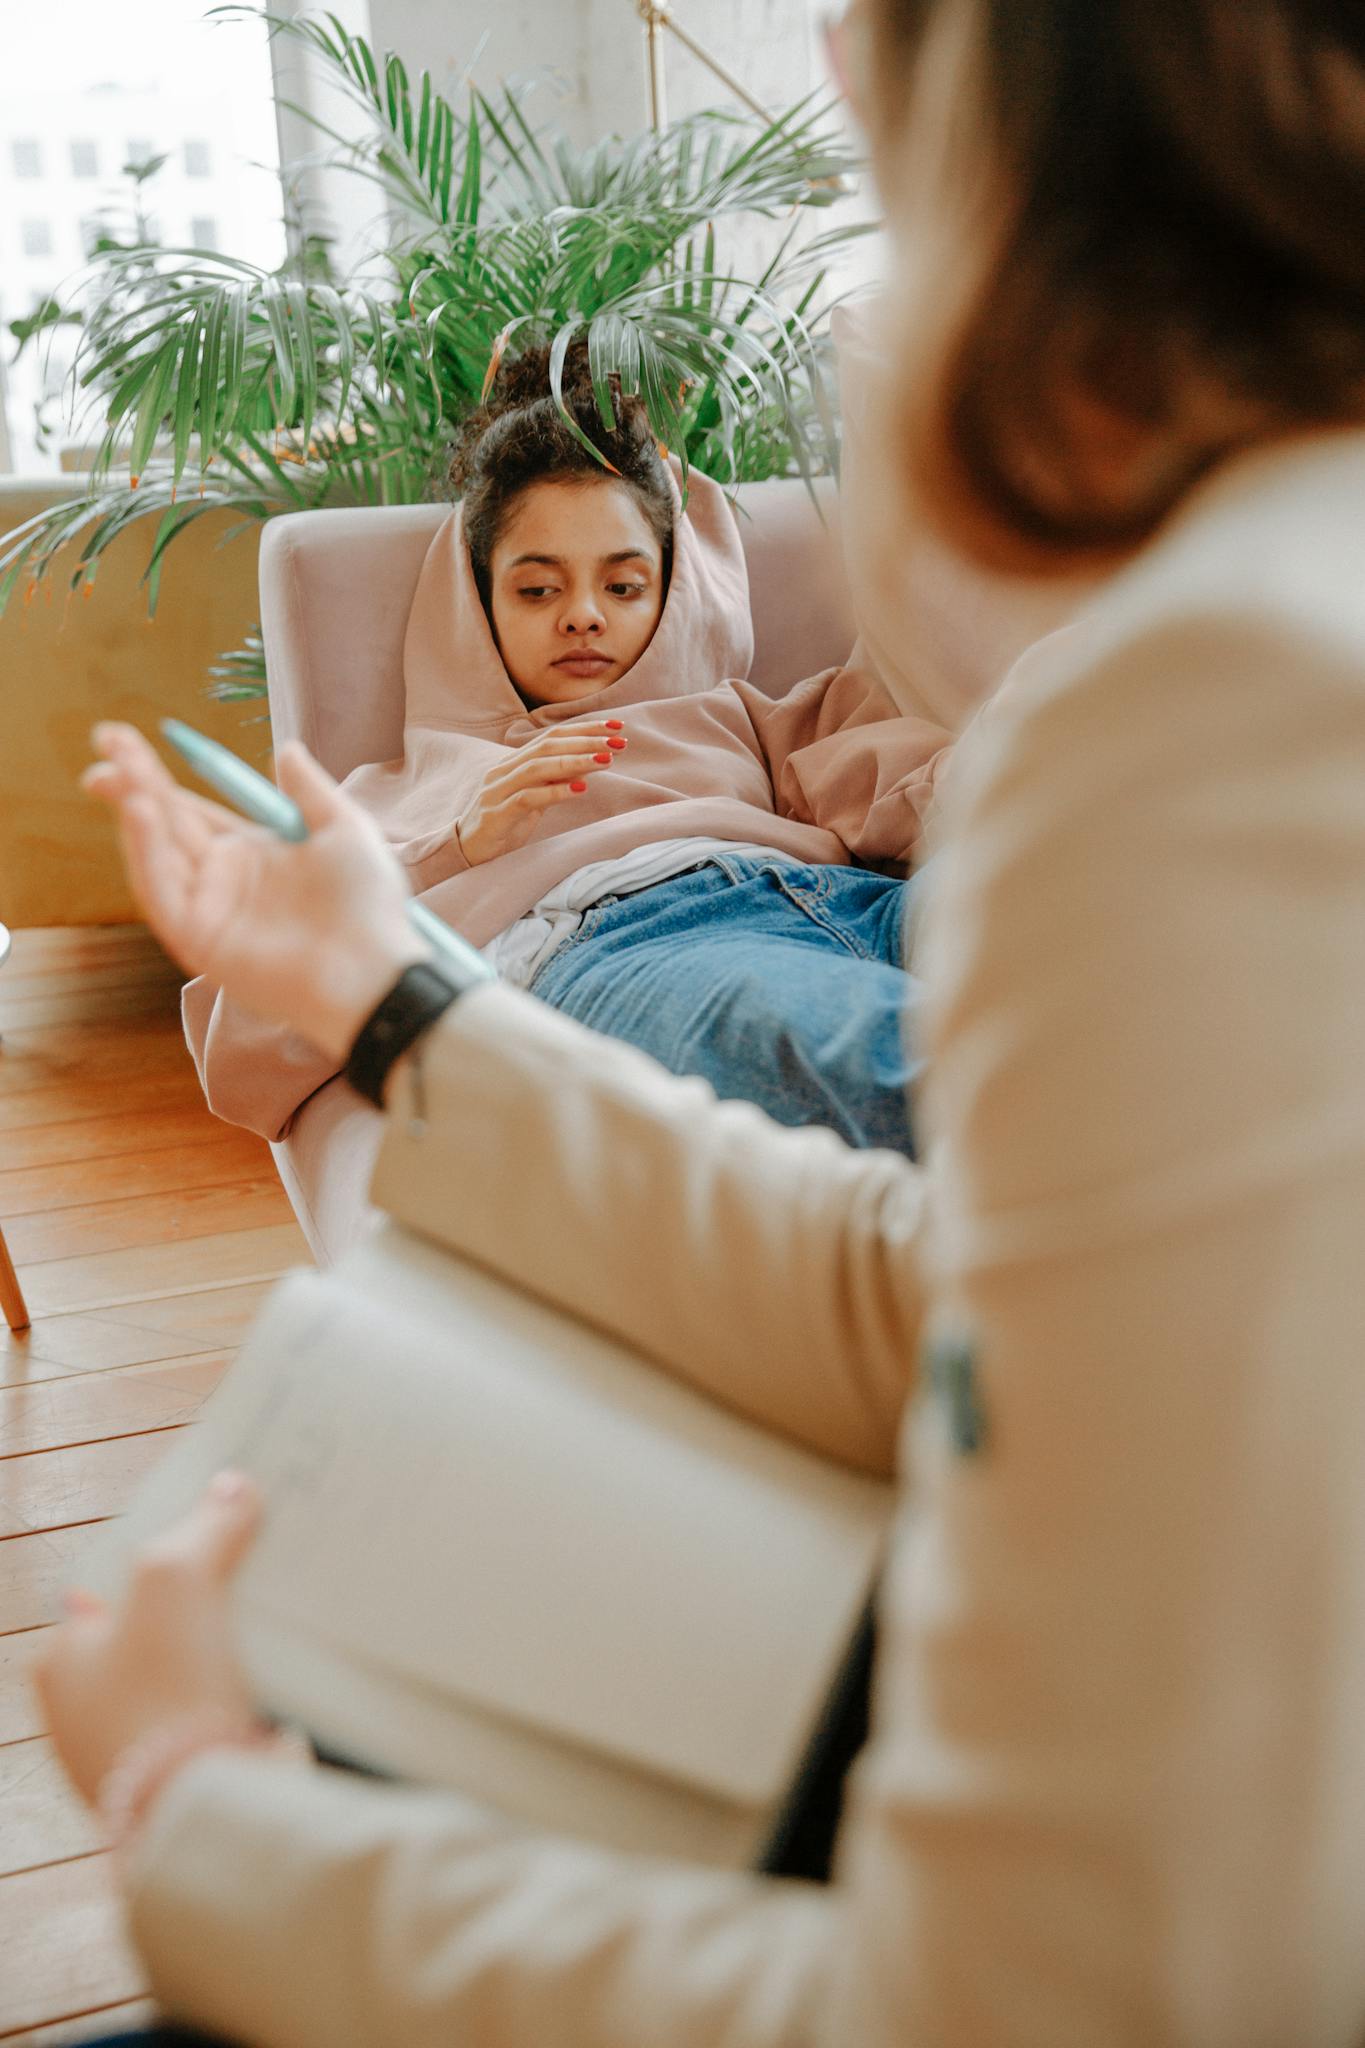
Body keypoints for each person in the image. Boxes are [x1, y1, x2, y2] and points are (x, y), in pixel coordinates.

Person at [41, 0, 1365, 2040]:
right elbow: (963, 1284)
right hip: (623, 944)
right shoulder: (407, 801)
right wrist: (385, 988)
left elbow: (1027, 1997)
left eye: (878, 194)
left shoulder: (1215, 710)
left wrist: (188, 1803)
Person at [185, 341, 966, 1159]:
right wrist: (458, 848)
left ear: (668, 589)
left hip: (846, 899)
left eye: (623, 586)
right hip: (639, 947)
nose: (584, 615)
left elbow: (937, 787)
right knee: (906, 1070)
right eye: (537, 588)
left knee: (1079, 965)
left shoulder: (749, 719)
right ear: (476, 598)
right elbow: (244, 1042)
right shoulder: (391, 795)